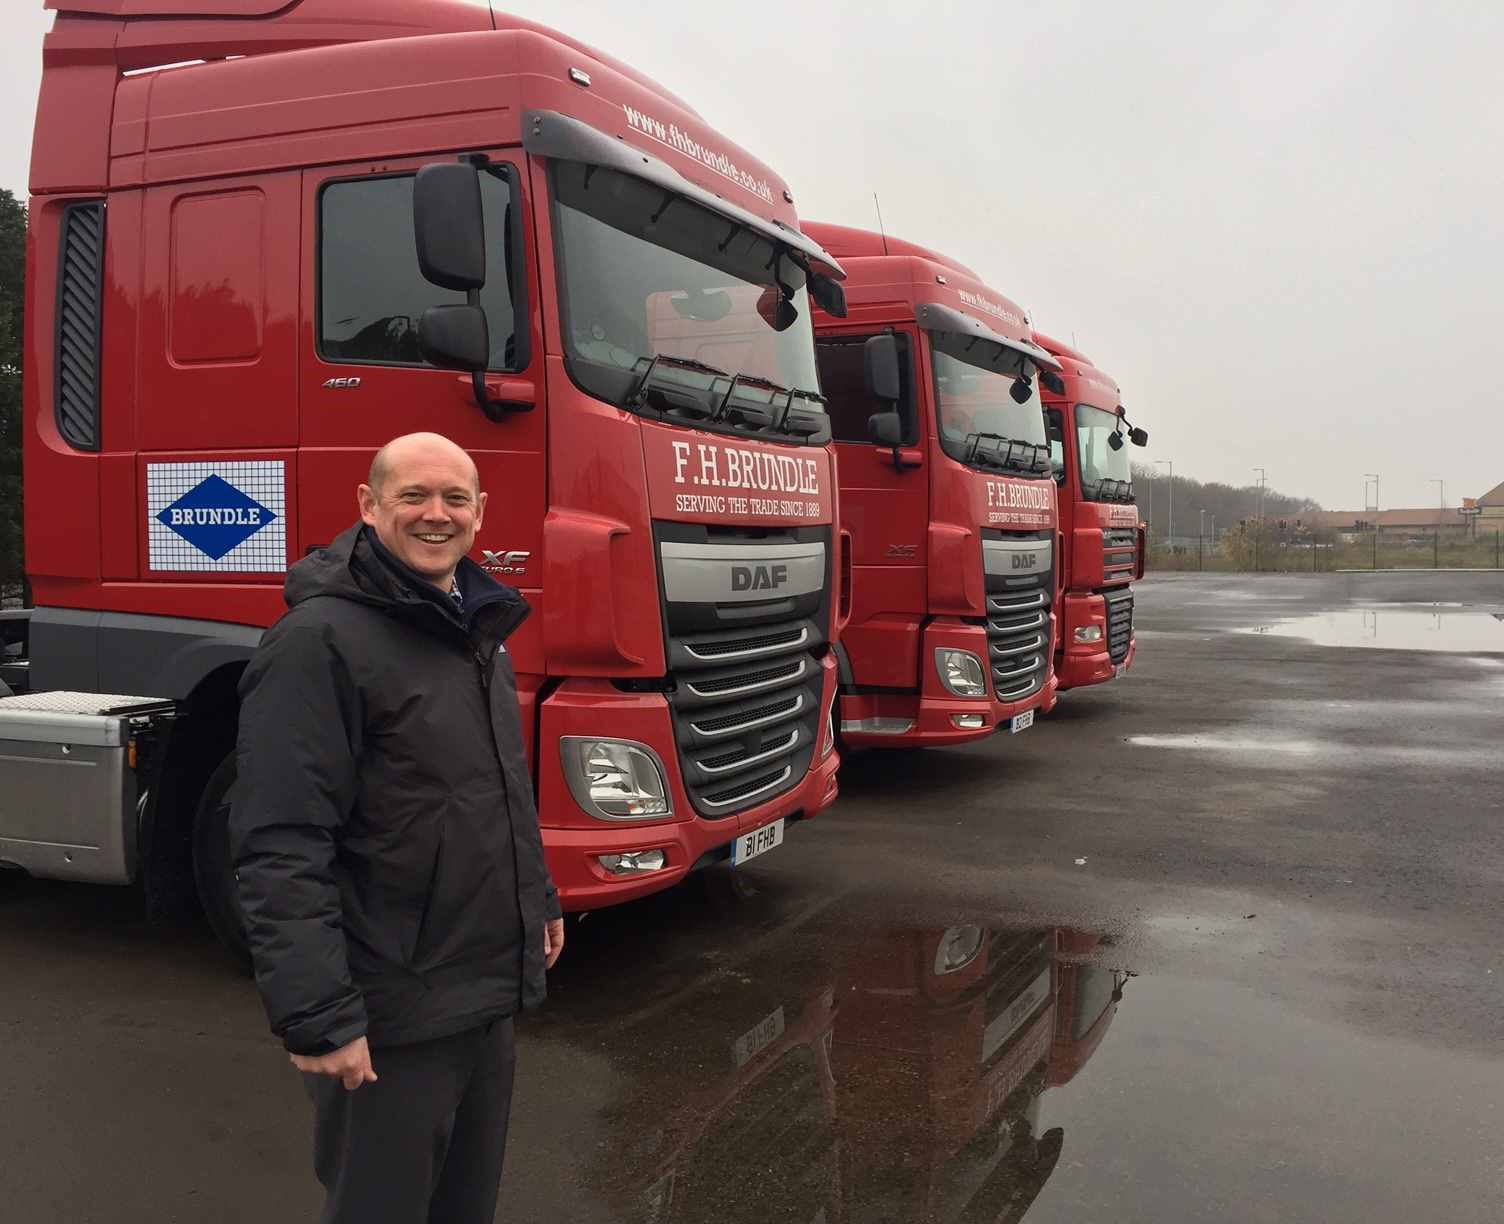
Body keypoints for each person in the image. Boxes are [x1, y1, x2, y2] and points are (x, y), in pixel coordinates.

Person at [231, 431, 563, 1224]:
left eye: (454, 498)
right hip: (391, 1013)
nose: (435, 514)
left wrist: (538, 899)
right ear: (369, 506)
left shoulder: (474, 629)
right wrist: (320, 1016)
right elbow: (281, 843)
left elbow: (488, 791)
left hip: (479, 997)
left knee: (463, 1208)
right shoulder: (319, 643)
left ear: (481, 514)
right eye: (413, 496)